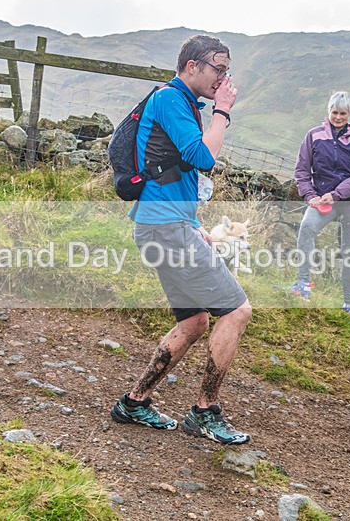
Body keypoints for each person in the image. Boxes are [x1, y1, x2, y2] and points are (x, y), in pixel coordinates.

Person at [110, 35, 253, 445]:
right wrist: (223, 112)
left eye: (227, 70)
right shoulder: (172, 99)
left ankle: (135, 401)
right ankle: (205, 412)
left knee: (193, 321)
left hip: (166, 225)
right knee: (237, 311)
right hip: (164, 228)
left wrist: (193, 226)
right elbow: (203, 159)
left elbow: (175, 172)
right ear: (192, 66)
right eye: (218, 69)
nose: (223, 77)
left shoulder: (182, 103)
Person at [284, 91, 350, 320]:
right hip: (322, 201)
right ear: (328, 111)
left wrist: (337, 194)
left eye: (343, 113)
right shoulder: (313, 136)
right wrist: (310, 195)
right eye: (334, 112)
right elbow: (301, 171)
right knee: (306, 228)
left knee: (349, 252)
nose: (338, 117)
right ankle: (303, 285)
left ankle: (349, 305)